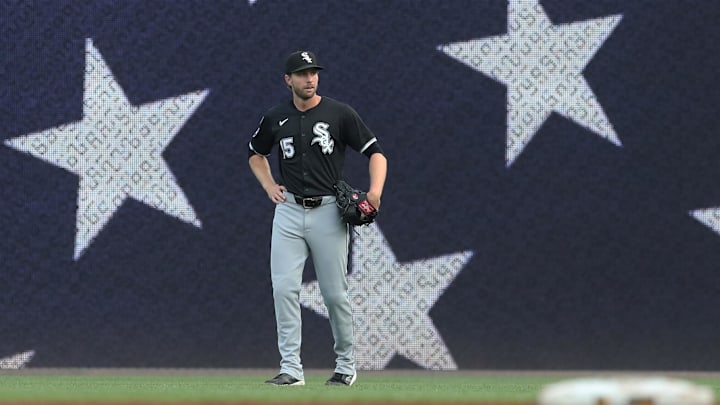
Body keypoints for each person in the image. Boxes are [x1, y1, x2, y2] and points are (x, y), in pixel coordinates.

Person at [248, 50, 387, 386]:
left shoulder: (339, 113)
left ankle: (345, 365)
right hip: (289, 211)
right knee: (284, 289)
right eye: (302, 73)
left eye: (313, 73)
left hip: (328, 211)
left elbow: (376, 153)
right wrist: (269, 185)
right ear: (288, 80)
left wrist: (375, 193)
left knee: (334, 293)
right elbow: (255, 153)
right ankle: (292, 369)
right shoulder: (275, 117)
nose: (309, 78)